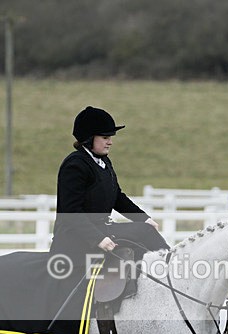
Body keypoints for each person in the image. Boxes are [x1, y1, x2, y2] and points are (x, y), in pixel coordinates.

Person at [50, 106, 168, 269]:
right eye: (105, 137)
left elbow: (117, 197)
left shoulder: (103, 161)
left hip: (102, 229)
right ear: (89, 139)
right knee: (144, 232)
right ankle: (174, 267)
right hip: (76, 237)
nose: (110, 142)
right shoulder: (75, 165)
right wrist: (97, 238)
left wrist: (143, 218)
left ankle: (165, 270)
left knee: (145, 232)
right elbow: (71, 211)